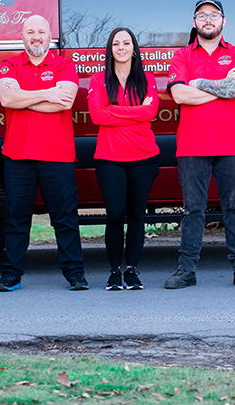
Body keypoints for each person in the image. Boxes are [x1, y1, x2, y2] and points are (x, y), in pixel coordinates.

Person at [164, 0, 235, 289]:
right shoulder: (182, 56)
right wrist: (222, 87)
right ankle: (186, 270)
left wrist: (198, 83)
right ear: (194, 23)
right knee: (193, 210)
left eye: (214, 15)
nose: (208, 20)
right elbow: (179, 95)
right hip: (192, 146)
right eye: (202, 15)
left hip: (231, 145)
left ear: (223, 22)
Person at [0, 14, 88, 291]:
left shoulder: (64, 64)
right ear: (23, 36)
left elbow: (65, 101)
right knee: (16, 218)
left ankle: (74, 273)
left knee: (66, 217)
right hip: (17, 155)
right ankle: (11, 274)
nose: (36, 36)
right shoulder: (9, 65)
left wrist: (25, 97)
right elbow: (7, 98)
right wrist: (47, 93)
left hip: (57, 156)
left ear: (50, 37)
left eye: (42, 32)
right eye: (31, 32)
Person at [88, 27, 160, 290]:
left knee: (137, 215)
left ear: (134, 48)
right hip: (109, 157)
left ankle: (132, 270)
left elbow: (151, 111)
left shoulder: (147, 79)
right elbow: (97, 116)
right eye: (116, 43)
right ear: (110, 49)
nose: (121, 47)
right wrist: (135, 112)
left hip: (144, 157)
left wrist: (114, 111)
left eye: (126, 43)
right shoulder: (99, 80)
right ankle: (113, 272)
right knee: (115, 215)